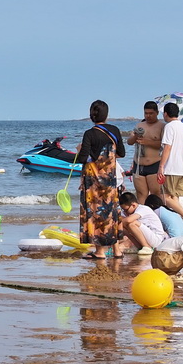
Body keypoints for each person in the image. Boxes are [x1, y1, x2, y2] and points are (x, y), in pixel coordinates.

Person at [76, 100, 126, 260]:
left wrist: (79, 150)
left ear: (91, 115)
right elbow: (122, 153)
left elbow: (82, 158)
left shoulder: (89, 134)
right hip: (110, 181)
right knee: (111, 211)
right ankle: (117, 250)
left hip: (93, 183)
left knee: (96, 212)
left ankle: (100, 252)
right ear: (107, 114)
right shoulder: (114, 130)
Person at [158, 102, 183, 229]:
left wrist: (161, 166)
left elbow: (167, 147)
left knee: (166, 197)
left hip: (171, 167)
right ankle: (178, 224)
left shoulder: (169, 126)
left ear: (166, 114)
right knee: (175, 198)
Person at [126, 101, 165, 203]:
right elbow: (129, 142)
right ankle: (143, 217)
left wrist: (147, 142)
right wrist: (135, 136)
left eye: (151, 113)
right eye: (146, 113)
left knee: (155, 194)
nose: (148, 116)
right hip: (138, 165)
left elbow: (164, 145)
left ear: (157, 113)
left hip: (154, 164)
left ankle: (157, 217)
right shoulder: (140, 124)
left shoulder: (162, 126)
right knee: (141, 194)